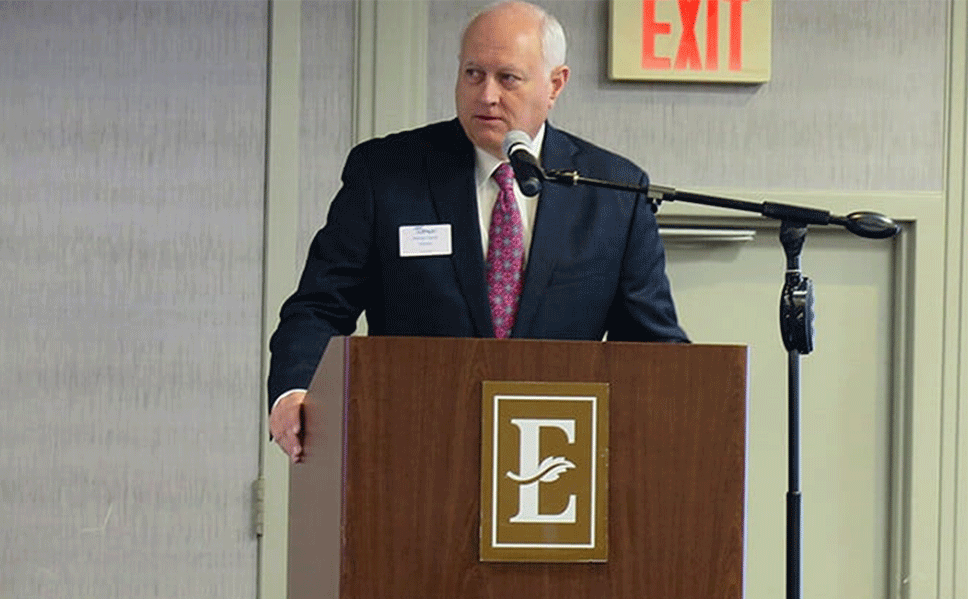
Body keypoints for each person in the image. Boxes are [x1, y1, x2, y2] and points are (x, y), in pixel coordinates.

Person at [268, 1, 688, 462]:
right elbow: (321, 306)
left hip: (556, 456)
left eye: (507, 78)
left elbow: (653, 347)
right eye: (473, 74)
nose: (486, 95)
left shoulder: (612, 191)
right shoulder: (386, 173)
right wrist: (295, 390)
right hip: (411, 447)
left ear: (555, 84)